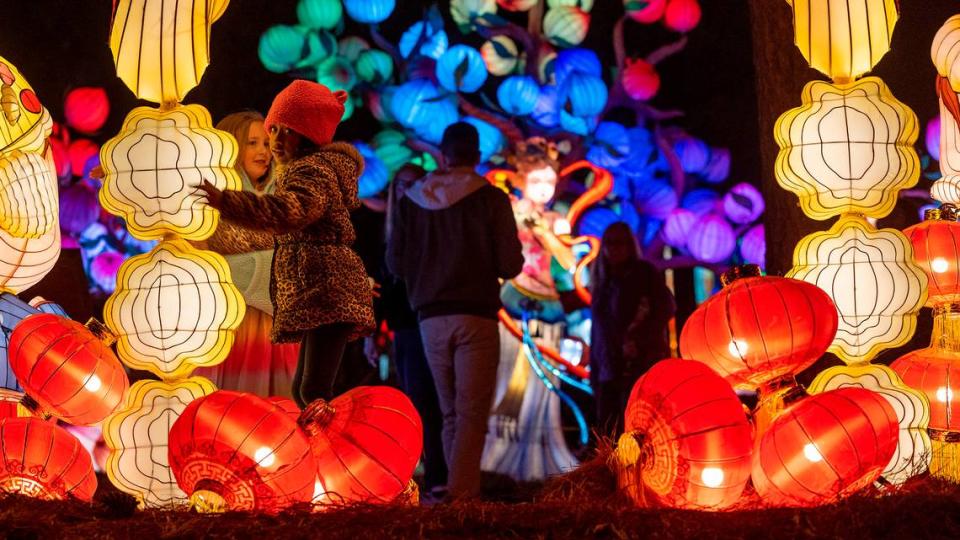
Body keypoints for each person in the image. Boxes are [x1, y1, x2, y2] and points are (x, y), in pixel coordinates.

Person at [197, 80, 375, 409]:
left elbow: (287, 216)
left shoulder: (311, 173)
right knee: (306, 392)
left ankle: (330, 451)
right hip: (304, 301)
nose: (271, 145)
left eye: (284, 132)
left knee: (311, 392)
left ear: (307, 134)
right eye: (269, 133)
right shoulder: (297, 174)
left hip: (319, 297)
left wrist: (225, 202)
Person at [386, 122, 524, 500]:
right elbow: (510, 264)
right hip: (475, 314)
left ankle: (454, 491)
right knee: (471, 413)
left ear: (443, 156)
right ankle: (462, 500)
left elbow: (395, 262)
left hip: (429, 316)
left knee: (450, 412)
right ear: (477, 156)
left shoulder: (412, 199)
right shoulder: (491, 199)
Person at [194, 111, 300, 398]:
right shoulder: (210, 201)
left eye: (266, 144)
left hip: (278, 327)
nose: (263, 152)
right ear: (231, 146)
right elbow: (203, 264)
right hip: (232, 325)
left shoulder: (280, 196)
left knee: (281, 413)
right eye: (252, 143)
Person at [377, 163, 448, 500]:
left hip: (429, 319)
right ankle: (422, 471)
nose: (407, 191)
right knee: (415, 399)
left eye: (413, 184)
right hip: (404, 325)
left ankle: (438, 473)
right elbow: (383, 286)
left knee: (433, 398)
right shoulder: (391, 230)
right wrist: (373, 331)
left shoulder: (430, 226)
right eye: (401, 185)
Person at [589, 222, 675, 437]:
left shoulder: (643, 273)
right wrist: (595, 368)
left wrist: (639, 341)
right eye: (609, 243)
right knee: (609, 431)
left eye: (620, 243)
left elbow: (665, 307)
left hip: (639, 364)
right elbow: (598, 331)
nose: (614, 248)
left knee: (638, 428)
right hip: (609, 368)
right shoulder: (604, 282)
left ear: (630, 245)